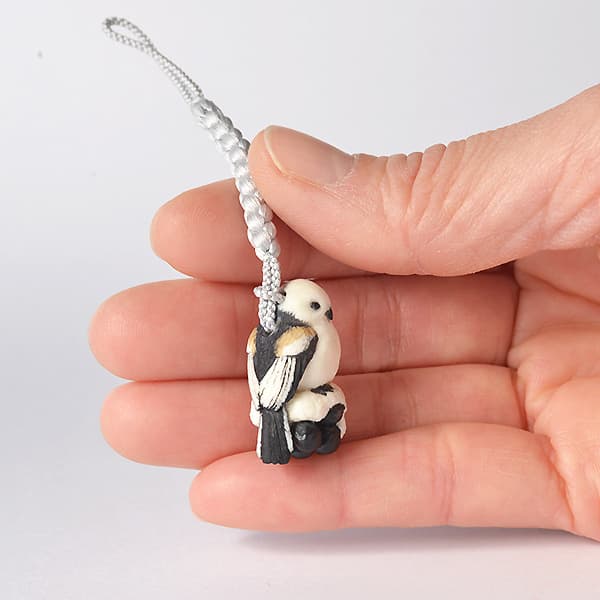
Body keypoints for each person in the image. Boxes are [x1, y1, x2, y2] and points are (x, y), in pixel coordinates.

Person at [89, 85, 600, 540]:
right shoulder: (295, 336)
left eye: (324, 309)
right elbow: (276, 379)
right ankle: (288, 437)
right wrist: (277, 406)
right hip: (283, 401)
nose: (326, 316)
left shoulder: (288, 331)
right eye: (318, 308)